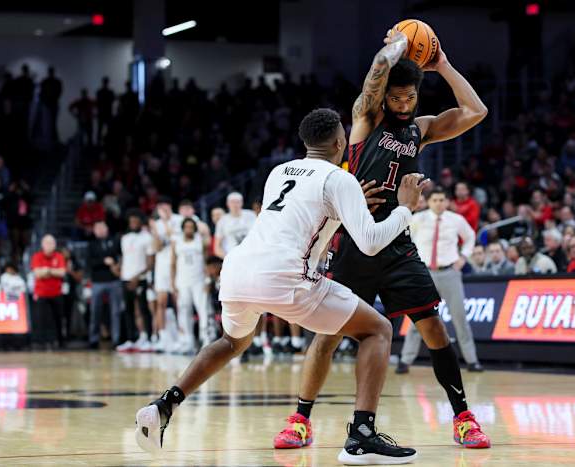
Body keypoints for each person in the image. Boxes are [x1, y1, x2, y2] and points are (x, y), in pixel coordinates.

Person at [135, 109, 424, 464]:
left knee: (231, 341)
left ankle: (165, 404)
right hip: (286, 275)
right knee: (378, 330)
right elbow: (369, 242)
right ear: (340, 142)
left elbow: (307, 215)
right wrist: (406, 210)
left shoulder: (279, 171)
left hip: (239, 270)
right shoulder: (340, 178)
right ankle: (362, 436)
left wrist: (353, 206)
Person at [274, 31, 489, 451]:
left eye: (409, 98)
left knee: (434, 330)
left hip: (396, 244)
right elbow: (374, 78)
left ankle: (463, 417)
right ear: (384, 97)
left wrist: (441, 63)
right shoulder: (366, 120)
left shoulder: (420, 130)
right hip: (355, 241)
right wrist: (392, 50)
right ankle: (300, 419)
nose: (403, 105)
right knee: (328, 336)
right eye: (396, 98)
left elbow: (475, 110)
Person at [397, 188, 482, 374]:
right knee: (416, 319)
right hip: (424, 273)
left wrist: (464, 257)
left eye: (442, 199)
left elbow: (470, 237)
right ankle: (405, 360)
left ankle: (472, 360)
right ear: (428, 201)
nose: (438, 203)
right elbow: (403, 238)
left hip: (449, 272)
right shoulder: (417, 219)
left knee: (460, 318)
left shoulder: (455, 219)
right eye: (435, 200)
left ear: (447, 201)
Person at [170, 218, 212, 354]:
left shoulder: (201, 241)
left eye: (191, 227)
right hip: (182, 282)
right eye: (186, 227)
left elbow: (207, 262)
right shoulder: (176, 242)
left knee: (203, 310)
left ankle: (206, 339)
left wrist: (208, 280)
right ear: (183, 229)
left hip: (199, 281)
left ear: (194, 228)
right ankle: (187, 341)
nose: (189, 229)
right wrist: (172, 282)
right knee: (183, 311)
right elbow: (173, 263)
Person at [116, 212, 154, 352]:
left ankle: (149, 339)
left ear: (140, 222)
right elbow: (125, 258)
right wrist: (120, 271)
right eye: (131, 221)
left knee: (144, 309)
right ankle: (130, 339)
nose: (133, 224)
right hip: (126, 279)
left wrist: (137, 277)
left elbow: (150, 262)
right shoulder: (125, 238)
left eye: (136, 221)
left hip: (140, 279)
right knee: (128, 310)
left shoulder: (147, 238)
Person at [149, 197, 183, 352]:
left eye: (166, 207)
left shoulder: (179, 220)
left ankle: (183, 337)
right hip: (161, 267)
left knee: (178, 302)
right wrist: (156, 232)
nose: (163, 210)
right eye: (160, 208)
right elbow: (156, 248)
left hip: (178, 266)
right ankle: (163, 338)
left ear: (170, 206)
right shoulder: (155, 225)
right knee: (161, 302)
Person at [88, 221, 123, 349]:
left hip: (114, 280)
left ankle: (116, 340)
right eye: (97, 228)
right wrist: (104, 261)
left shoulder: (115, 241)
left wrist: (117, 265)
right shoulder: (92, 245)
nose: (100, 230)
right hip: (97, 282)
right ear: (94, 231)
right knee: (95, 311)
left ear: (107, 229)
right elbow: (90, 262)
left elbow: (120, 257)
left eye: (102, 227)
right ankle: (93, 339)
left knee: (116, 311)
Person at [30, 235, 66, 349]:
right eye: (47, 243)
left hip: (56, 293)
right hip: (41, 293)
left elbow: (62, 273)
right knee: (41, 319)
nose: (49, 245)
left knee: (58, 318)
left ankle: (59, 341)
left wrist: (48, 270)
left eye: (51, 243)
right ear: (42, 245)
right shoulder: (37, 256)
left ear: (55, 245)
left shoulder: (59, 256)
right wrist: (53, 272)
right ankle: (41, 342)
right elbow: (37, 274)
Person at [213, 192, 256, 258]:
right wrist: (228, 258)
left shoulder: (251, 215)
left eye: (238, 202)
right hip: (232, 256)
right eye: (232, 202)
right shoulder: (222, 221)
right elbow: (217, 247)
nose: (235, 205)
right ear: (227, 203)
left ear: (242, 203)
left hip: (252, 255)